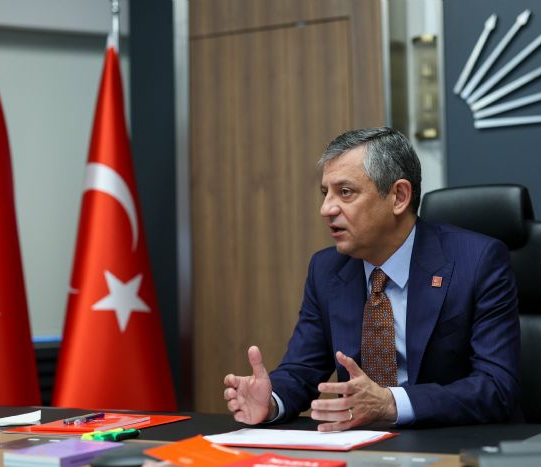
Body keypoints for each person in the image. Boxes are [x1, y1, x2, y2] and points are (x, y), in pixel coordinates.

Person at [223, 127, 520, 430]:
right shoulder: (326, 270)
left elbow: (496, 386)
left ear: (399, 197)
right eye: (325, 193)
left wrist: (390, 403)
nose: (326, 209)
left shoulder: (478, 262)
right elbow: (302, 370)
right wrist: (271, 401)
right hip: (359, 443)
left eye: (345, 192)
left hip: (451, 441)